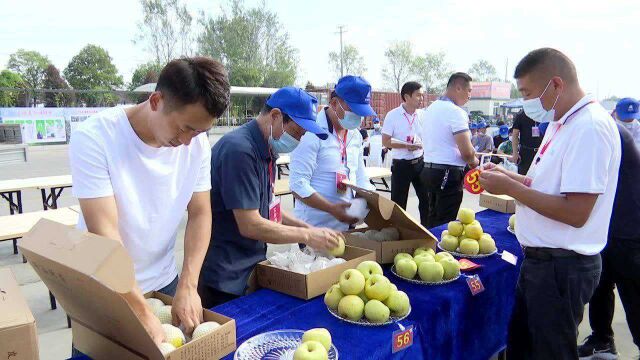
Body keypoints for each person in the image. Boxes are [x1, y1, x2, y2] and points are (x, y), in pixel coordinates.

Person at [69, 57, 231, 349]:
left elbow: (200, 214)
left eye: (198, 131)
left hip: (163, 281)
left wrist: (189, 284)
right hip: (105, 291)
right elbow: (105, 234)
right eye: (184, 128)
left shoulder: (197, 145)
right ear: (156, 100)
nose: (186, 141)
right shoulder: (96, 138)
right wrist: (139, 309)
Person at [479, 48, 621, 359]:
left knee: (551, 351)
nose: (528, 103)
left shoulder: (589, 128)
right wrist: (508, 177)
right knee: (524, 347)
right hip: (542, 263)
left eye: (529, 93)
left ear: (555, 84)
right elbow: (542, 185)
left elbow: (576, 212)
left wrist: (511, 189)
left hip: (562, 266)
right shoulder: (561, 122)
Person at [199, 87, 340, 308]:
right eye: (297, 132)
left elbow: (268, 208)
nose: (299, 140)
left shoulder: (267, 150)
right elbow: (251, 225)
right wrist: (307, 235)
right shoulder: (240, 151)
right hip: (225, 279)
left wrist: (307, 229)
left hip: (249, 267)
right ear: (275, 116)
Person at [578, 122, 640, 359]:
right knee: (601, 284)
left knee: (633, 291)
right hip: (607, 224)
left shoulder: (595, 128)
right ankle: (602, 339)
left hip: (628, 227)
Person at [290, 75, 376, 231]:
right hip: (314, 229)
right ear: (335, 103)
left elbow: (361, 178)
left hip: (347, 228)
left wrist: (360, 203)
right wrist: (332, 209)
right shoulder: (311, 133)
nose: (358, 117)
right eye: (353, 110)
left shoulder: (355, 135)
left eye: (361, 112)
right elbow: (298, 184)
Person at [420, 72, 478, 228]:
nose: (470, 95)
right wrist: (474, 161)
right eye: (469, 90)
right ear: (458, 88)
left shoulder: (430, 109)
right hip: (447, 173)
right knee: (445, 224)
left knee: (431, 218)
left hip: (429, 169)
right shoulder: (456, 112)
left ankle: (427, 250)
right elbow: (466, 152)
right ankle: (439, 251)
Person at [381, 81, 430, 225]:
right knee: (398, 204)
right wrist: (406, 145)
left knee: (426, 200)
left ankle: (427, 231)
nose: (421, 98)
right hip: (401, 165)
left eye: (422, 95)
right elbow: (386, 141)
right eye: (418, 95)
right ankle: (399, 233)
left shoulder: (423, 115)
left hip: (420, 163)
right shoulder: (393, 115)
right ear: (407, 96)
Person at [512, 109, 543, 175]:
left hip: (541, 152)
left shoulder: (544, 112)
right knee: (524, 176)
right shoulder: (521, 115)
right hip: (526, 152)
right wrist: (515, 152)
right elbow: (515, 134)